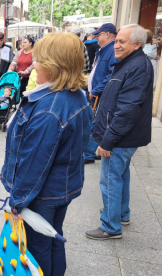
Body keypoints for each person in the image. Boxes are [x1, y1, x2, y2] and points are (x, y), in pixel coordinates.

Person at [0, 33, 92, 276]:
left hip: (42, 195)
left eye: (39, 59)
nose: (34, 64)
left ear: (53, 66)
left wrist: (18, 201)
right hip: (62, 187)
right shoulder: (76, 95)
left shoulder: (48, 109)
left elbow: (34, 166)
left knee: (37, 248)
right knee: (53, 238)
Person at [86, 24, 154, 240]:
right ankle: (120, 214)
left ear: (137, 44)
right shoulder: (128, 63)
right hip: (123, 136)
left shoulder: (136, 66)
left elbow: (127, 110)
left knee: (110, 179)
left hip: (121, 137)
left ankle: (110, 225)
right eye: (116, 41)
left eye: (121, 42)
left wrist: (107, 141)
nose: (116, 45)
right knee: (120, 175)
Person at [83, 23, 119, 165]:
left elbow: (110, 74)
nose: (96, 37)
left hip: (100, 94)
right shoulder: (104, 50)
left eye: (99, 35)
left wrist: (96, 90)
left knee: (96, 123)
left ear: (108, 34)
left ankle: (89, 154)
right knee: (96, 122)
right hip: (96, 93)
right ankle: (92, 151)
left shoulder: (111, 51)